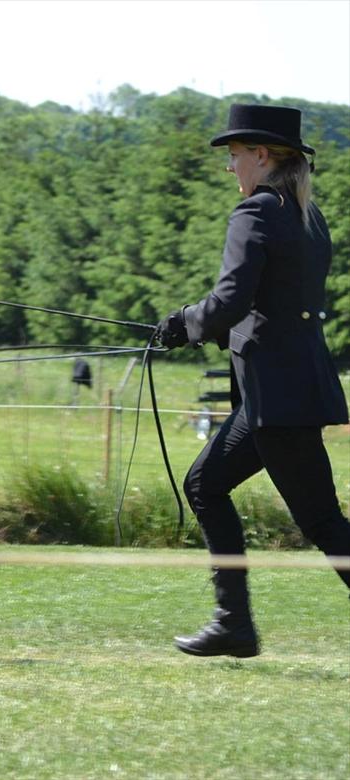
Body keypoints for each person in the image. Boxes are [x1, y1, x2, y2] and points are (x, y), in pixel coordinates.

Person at [155, 104, 350, 658]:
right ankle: (233, 625)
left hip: (276, 394)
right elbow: (272, 306)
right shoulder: (307, 216)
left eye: (235, 157)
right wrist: (201, 325)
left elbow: (231, 302)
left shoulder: (256, 213)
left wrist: (185, 322)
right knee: (206, 485)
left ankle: (234, 625)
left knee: (323, 523)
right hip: (283, 388)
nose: (231, 168)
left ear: (261, 155)